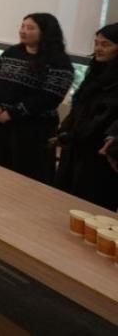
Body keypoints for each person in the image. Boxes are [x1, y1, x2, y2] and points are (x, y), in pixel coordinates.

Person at [0, 13, 74, 183]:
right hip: (0, 122)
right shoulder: (12, 52)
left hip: (33, 128)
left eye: (30, 28)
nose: (23, 31)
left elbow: (50, 96)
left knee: (28, 176)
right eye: (22, 26)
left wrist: (12, 113)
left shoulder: (59, 61)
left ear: (45, 32)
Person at [54, 24, 118, 210]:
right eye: (96, 43)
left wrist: (74, 135)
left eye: (105, 45)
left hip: (99, 152)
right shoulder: (97, 70)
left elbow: (105, 116)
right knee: (61, 199)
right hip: (75, 146)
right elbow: (79, 106)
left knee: (90, 205)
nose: (98, 49)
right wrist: (64, 131)